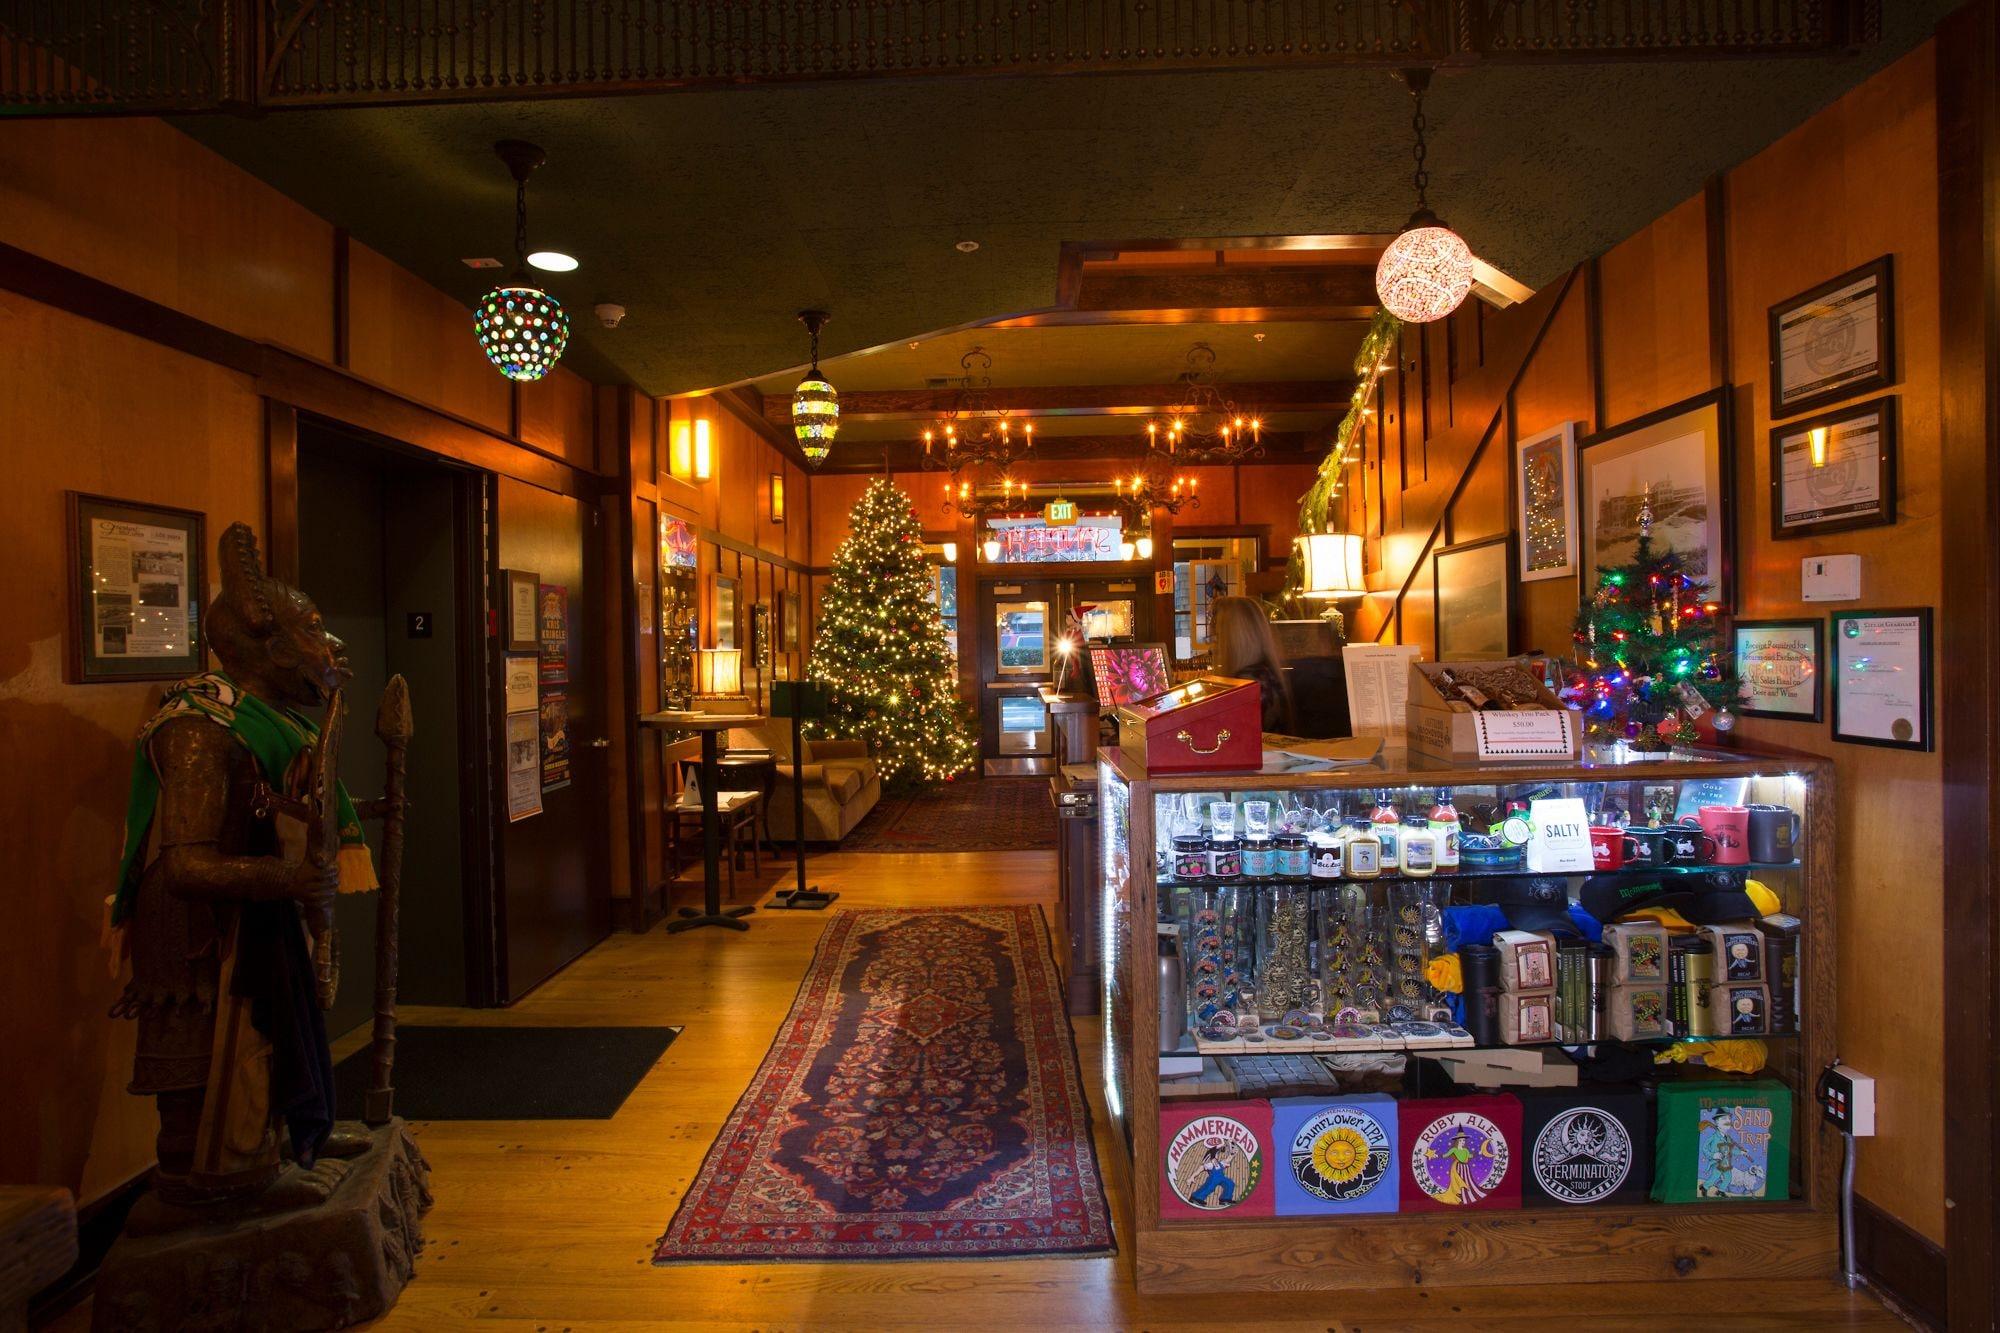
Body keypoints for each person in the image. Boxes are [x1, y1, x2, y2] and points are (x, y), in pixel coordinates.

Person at [1210, 595, 1295, 733]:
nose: (1215, 646)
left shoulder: (1249, 682)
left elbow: (1230, 734)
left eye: (1218, 637)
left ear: (1234, 639)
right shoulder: (1265, 673)